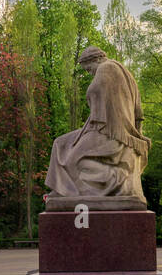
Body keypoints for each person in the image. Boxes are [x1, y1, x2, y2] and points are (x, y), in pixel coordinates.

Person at [44, 46, 150, 205]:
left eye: (88, 69)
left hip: (110, 133)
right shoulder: (125, 73)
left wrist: (132, 139)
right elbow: (138, 114)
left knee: (71, 159)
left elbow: (95, 93)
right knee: (60, 143)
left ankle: (116, 178)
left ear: (97, 59)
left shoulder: (106, 67)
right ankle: (62, 190)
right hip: (102, 128)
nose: (90, 73)